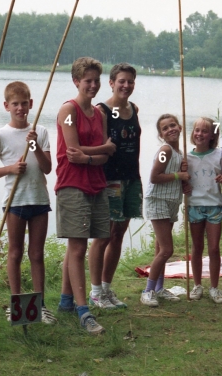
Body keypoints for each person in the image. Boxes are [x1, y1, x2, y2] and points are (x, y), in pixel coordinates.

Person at [0, 81, 56, 324]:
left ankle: (40, 305)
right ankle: (16, 305)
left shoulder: (41, 131)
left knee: (36, 253)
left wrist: (35, 146)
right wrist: (12, 169)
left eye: (24, 104)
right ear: (6, 106)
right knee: (15, 253)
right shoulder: (0, 135)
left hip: (38, 199)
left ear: (31, 104)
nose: (20, 108)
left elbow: (47, 168)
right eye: (15, 104)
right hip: (14, 202)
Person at [55, 57, 115, 334]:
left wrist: (94, 155)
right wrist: (103, 150)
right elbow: (71, 150)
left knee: (99, 237)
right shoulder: (68, 109)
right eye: (87, 80)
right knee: (77, 247)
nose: (93, 85)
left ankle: (67, 301)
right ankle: (83, 310)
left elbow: (101, 155)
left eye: (96, 80)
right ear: (76, 81)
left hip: (96, 182)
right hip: (72, 184)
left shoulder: (100, 114)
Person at [88, 63, 142, 310]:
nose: (126, 85)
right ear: (111, 83)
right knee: (104, 235)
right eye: (122, 81)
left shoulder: (134, 109)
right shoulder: (102, 111)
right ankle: (95, 291)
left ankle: (107, 289)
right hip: (110, 179)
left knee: (119, 234)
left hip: (132, 178)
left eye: (130, 81)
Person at [140, 114, 190, 307]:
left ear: (179, 126)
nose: (170, 130)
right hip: (158, 200)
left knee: (160, 249)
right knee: (167, 249)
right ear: (161, 134)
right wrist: (179, 174)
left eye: (173, 125)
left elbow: (178, 177)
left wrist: (184, 180)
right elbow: (154, 176)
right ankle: (148, 290)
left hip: (171, 201)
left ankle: (159, 288)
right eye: (165, 128)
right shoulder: (165, 150)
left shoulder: (179, 153)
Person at [185, 117, 222, 303]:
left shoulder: (219, 156)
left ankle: (214, 287)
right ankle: (197, 285)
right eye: (197, 130)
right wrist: (182, 184)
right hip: (194, 205)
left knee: (213, 248)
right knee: (196, 247)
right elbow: (182, 181)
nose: (199, 134)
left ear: (212, 135)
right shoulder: (186, 158)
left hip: (214, 205)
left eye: (204, 131)